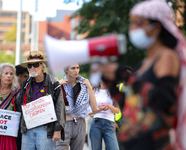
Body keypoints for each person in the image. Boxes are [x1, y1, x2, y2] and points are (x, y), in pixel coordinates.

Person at [98, 0, 186, 149]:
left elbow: (164, 100)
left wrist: (125, 76)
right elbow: (134, 105)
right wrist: (109, 83)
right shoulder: (144, 63)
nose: (132, 29)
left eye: (138, 23)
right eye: (131, 23)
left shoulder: (167, 56)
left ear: (157, 27)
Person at [15, 51, 66, 150]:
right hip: (28, 129)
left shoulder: (53, 81)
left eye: (36, 65)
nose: (32, 68)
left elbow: (60, 106)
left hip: (45, 129)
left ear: (43, 67)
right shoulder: (26, 82)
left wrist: (58, 130)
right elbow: (20, 102)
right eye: (30, 66)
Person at [56, 63, 97, 150]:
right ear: (66, 70)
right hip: (64, 124)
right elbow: (49, 103)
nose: (76, 70)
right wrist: (57, 84)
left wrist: (89, 87)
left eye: (78, 68)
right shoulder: (59, 85)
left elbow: (94, 108)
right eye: (73, 68)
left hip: (80, 123)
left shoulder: (83, 87)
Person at [89, 80, 120, 150]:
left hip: (109, 124)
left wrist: (109, 107)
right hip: (96, 123)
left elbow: (117, 110)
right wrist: (100, 109)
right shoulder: (92, 90)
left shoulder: (114, 90)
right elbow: (89, 112)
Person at [15, 65, 29, 150]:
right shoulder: (16, 90)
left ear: (26, 76)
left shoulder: (32, 89)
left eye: (18, 80)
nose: (17, 84)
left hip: (29, 131)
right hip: (16, 130)